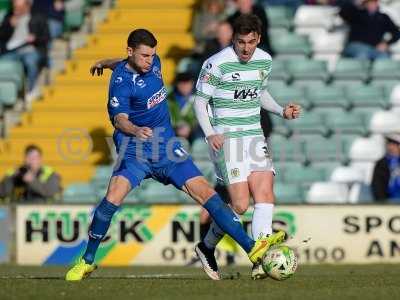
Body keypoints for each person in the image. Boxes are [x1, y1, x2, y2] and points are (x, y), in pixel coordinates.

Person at [65, 28, 286, 281]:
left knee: (207, 193)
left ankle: (252, 249)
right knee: (111, 199)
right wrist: (135, 129)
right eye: (144, 56)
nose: (150, 61)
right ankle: (87, 260)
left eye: (152, 55)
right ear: (131, 52)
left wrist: (105, 62)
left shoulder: (151, 63)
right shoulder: (120, 85)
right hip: (135, 150)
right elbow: (119, 119)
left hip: (168, 149)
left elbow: (123, 62)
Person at [193, 14, 301, 280]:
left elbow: (260, 92)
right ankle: (206, 247)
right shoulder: (216, 63)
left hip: (254, 135)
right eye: (241, 42)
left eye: (251, 42)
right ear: (234, 39)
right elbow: (200, 102)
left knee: (265, 193)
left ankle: (261, 258)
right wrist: (209, 134)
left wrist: (280, 111)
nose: (246, 48)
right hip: (226, 139)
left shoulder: (265, 60)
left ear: (258, 39)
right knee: (240, 206)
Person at [0, 0, 50, 92]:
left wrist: (35, 38)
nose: (16, 9)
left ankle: (31, 90)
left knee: (31, 62)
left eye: (19, 7)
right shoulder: (8, 17)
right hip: (12, 51)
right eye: (15, 6)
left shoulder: (38, 17)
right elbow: (2, 37)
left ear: (27, 6)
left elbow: (46, 38)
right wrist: (9, 25)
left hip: (31, 49)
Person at [167, 72, 200, 143]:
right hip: (172, 134)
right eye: (182, 84)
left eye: (188, 83)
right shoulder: (168, 100)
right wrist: (176, 128)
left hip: (193, 134)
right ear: (177, 84)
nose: (185, 87)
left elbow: (200, 118)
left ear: (192, 84)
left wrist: (190, 127)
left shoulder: (198, 100)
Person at [371, 134, 400, 202]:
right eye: (389, 144)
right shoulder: (382, 163)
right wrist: (382, 202)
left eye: (394, 144)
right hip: (388, 201)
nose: (390, 147)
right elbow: (377, 186)